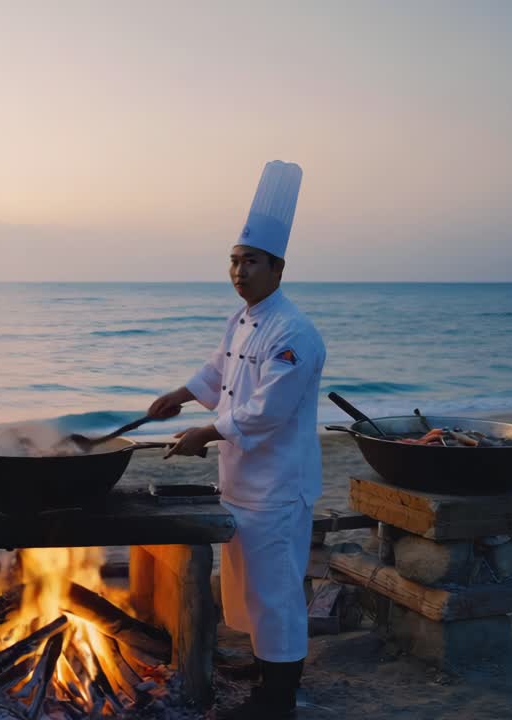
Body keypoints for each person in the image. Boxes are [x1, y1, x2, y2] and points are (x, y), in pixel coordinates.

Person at [150, 161, 325, 719]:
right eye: (234, 260)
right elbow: (218, 372)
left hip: (277, 485)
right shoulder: (241, 319)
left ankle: (277, 701)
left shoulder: (294, 332)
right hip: (240, 482)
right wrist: (180, 394)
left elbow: (267, 410)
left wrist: (207, 430)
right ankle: (264, 666)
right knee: (247, 590)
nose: (239, 270)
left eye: (251, 261)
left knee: (276, 594)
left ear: (277, 268)